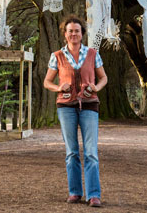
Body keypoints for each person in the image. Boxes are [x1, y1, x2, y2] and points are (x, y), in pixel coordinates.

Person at [44, 15, 108, 208]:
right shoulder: (57, 56)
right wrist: (58, 87)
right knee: (71, 152)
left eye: (77, 31)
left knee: (91, 152)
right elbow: (47, 81)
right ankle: (74, 192)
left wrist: (96, 87)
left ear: (82, 34)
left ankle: (93, 194)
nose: (74, 34)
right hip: (66, 107)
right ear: (65, 34)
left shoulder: (92, 53)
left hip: (89, 105)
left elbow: (104, 78)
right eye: (70, 31)